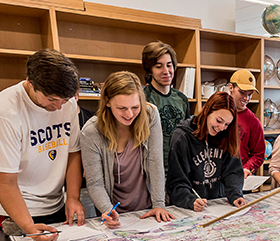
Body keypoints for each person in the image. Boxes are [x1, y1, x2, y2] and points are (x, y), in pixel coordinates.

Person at [0, 49, 85, 241]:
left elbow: (73, 153)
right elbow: (5, 181)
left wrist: (72, 197)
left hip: (55, 201)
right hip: (16, 209)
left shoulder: (67, 102)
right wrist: (29, 227)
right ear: (30, 82)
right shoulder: (2, 112)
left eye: (65, 100)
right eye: (52, 100)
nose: (59, 107)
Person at [81, 71, 173, 228]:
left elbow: (155, 162)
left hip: (148, 209)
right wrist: (107, 210)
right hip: (115, 214)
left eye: (135, 107)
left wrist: (159, 204)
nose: (130, 114)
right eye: (122, 108)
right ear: (107, 102)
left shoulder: (150, 115)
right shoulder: (91, 132)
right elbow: (95, 183)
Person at [167, 91, 246, 212]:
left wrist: (235, 194)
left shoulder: (226, 134)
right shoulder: (182, 137)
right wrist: (190, 200)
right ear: (207, 111)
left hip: (217, 205)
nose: (221, 128)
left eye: (227, 124)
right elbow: (176, 183)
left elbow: (233, 171)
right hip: (188, 208)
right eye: (219, 121)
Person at [142, 41, 190, 180]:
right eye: (159, 66)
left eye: (169, 65)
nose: (166, 71)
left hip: (179, 170)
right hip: (151, 171)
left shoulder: (182, 99)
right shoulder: (141, 97)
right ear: (149, 70)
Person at [227, 69, 265, 178]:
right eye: (242, 93)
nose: (246, 98)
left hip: (238, 177)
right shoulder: (217, 113)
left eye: (250, 94)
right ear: (230, 88)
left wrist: (247, 168)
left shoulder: (253, 121)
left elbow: (258, 154)